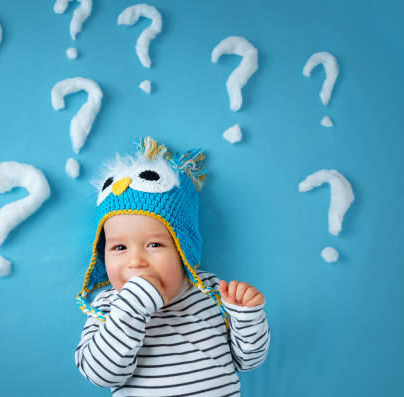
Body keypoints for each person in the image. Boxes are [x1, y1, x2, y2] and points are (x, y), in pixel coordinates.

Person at [75, 137, 270, 396]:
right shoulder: (108, 305)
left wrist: (247, 317)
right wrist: (131, 307)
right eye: (119, 248)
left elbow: (248, 361)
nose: (136, 262)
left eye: (154, 244)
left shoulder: (211, 291)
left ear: (182, 250)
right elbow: (99, 374)